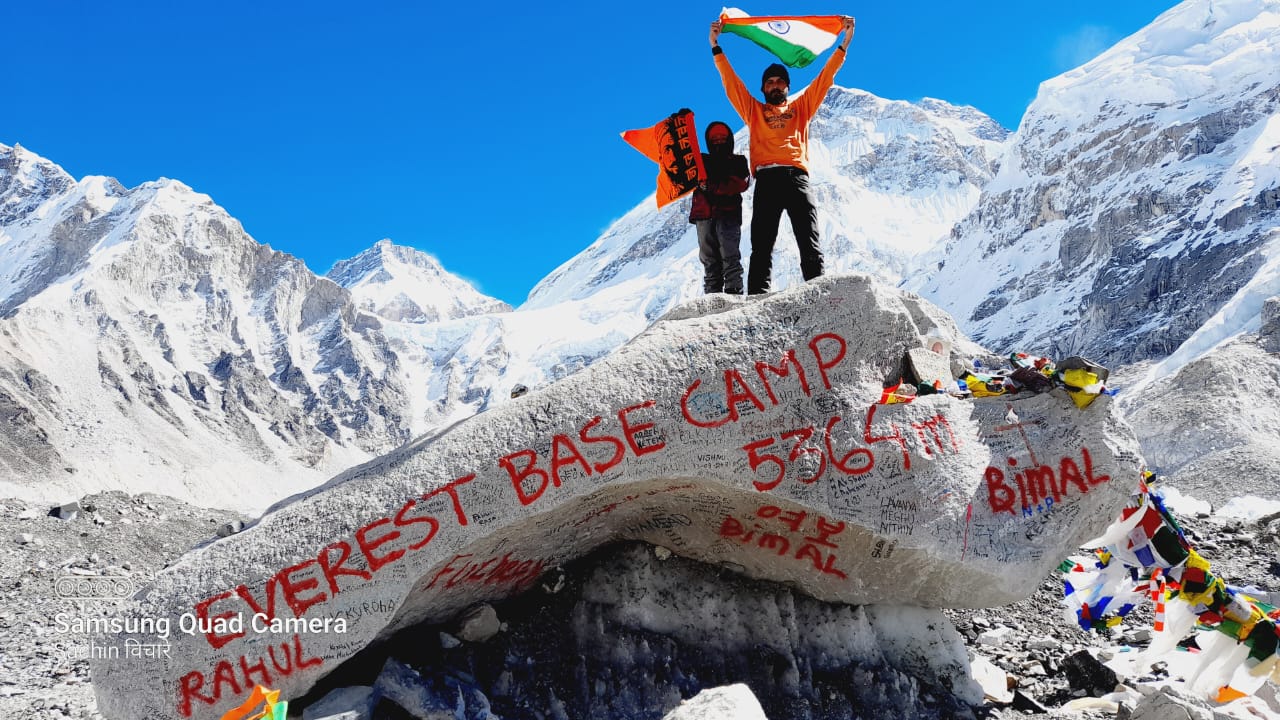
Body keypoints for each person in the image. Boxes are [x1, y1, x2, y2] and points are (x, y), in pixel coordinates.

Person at [709, 16, 855, 294]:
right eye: (770, 82)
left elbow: (824, 79)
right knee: (762, 245)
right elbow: (732, 84)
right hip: (767, 179)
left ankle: (818, 296)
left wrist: (844, 43)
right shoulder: (754, 111)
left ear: (787, 87)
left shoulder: (801, 108)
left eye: (780, 82)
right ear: (763, 88)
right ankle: (757, 300)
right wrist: (716, 47)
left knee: (808, 240)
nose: (775, 85)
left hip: (797, 177)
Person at [688, 121, 750, 294]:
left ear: (729, 139)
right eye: (714, 138)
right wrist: (681, 128)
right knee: (709, 261)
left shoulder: (738, 161)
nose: (718, 141)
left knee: (729, 256)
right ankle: (712, 299)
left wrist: (712, 186)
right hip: (704, 215)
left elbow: (741, 183)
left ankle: (733, 293)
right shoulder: (700, 161)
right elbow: (680, 163)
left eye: (722, 137)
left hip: (727, 215)